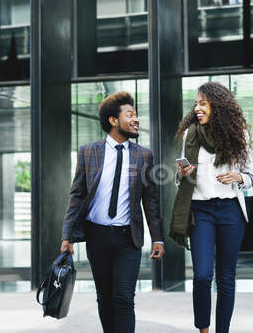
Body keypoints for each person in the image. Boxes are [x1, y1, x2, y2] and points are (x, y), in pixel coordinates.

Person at [60, 91, 165, 333]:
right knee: (105, 297)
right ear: (113, 120)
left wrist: (157, 237)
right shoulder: (88, 152)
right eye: (130, 114)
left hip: (128, 237)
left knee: (124, 297)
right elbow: (76, 195)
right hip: (97, 236)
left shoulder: (143, 155)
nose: (136, 119)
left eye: (136, 114)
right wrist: (67, 236)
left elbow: (151, 201)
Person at [170, 82, 252, 333]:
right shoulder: (189, 134)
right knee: (203, 275)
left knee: (226, 278)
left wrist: (239, 178)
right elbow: (182, 179)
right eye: (196, 103)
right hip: (200, 211)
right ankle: (203, 329)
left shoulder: (239, 134)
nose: (197, 108)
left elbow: (251, 174)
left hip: (230, 211)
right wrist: (181, 173)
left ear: (217, 106)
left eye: (202, 103)